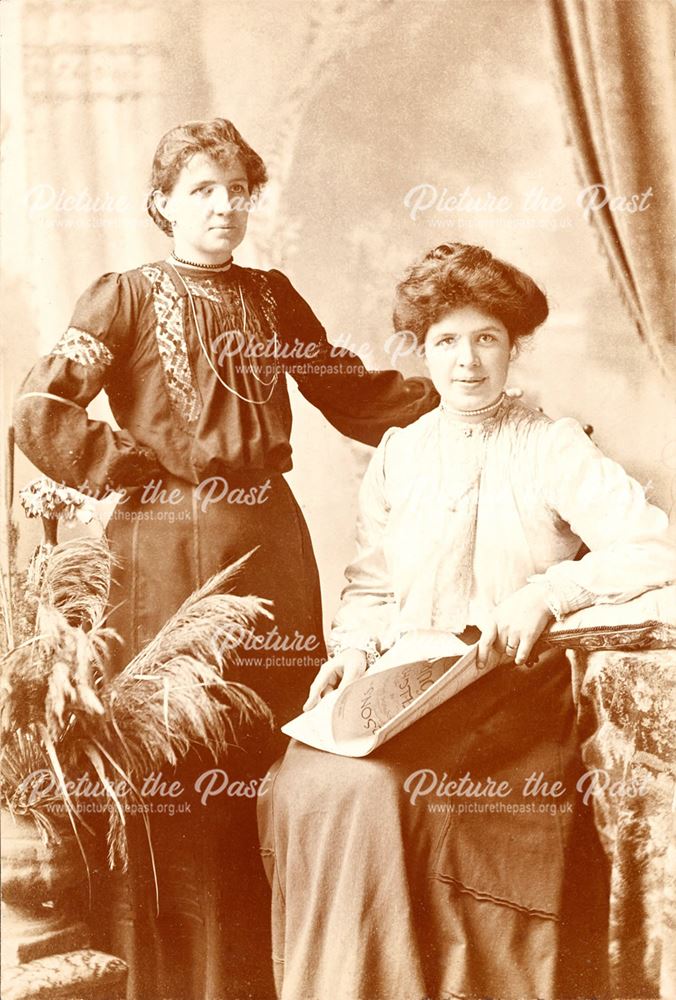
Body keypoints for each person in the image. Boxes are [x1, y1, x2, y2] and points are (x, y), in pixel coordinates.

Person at [12, 118, 440, 1000]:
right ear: (163, 203)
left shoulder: (273, 297)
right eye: (203, 190)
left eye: (238, 190)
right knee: (175, 758)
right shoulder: (122, 297)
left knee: (276, 747)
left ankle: (281, 973)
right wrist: (124, 468)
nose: (225, 206)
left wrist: (470, 395)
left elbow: (351, 392)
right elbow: (41, 406)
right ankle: (177, 981)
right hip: (161, 552)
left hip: (269, 546)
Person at [258, 242, 676, 1000]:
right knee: (304, 782)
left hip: (512, 689)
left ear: (514, 346)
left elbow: (655, 547)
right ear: (421, 351)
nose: (466, 362)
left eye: (486, 339)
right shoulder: (400, 454)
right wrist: (352, 652)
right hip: (405, 682)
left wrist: (550, 594)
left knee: (375, 793)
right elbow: (371, 589)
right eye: (445, 342)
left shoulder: (554, 445)